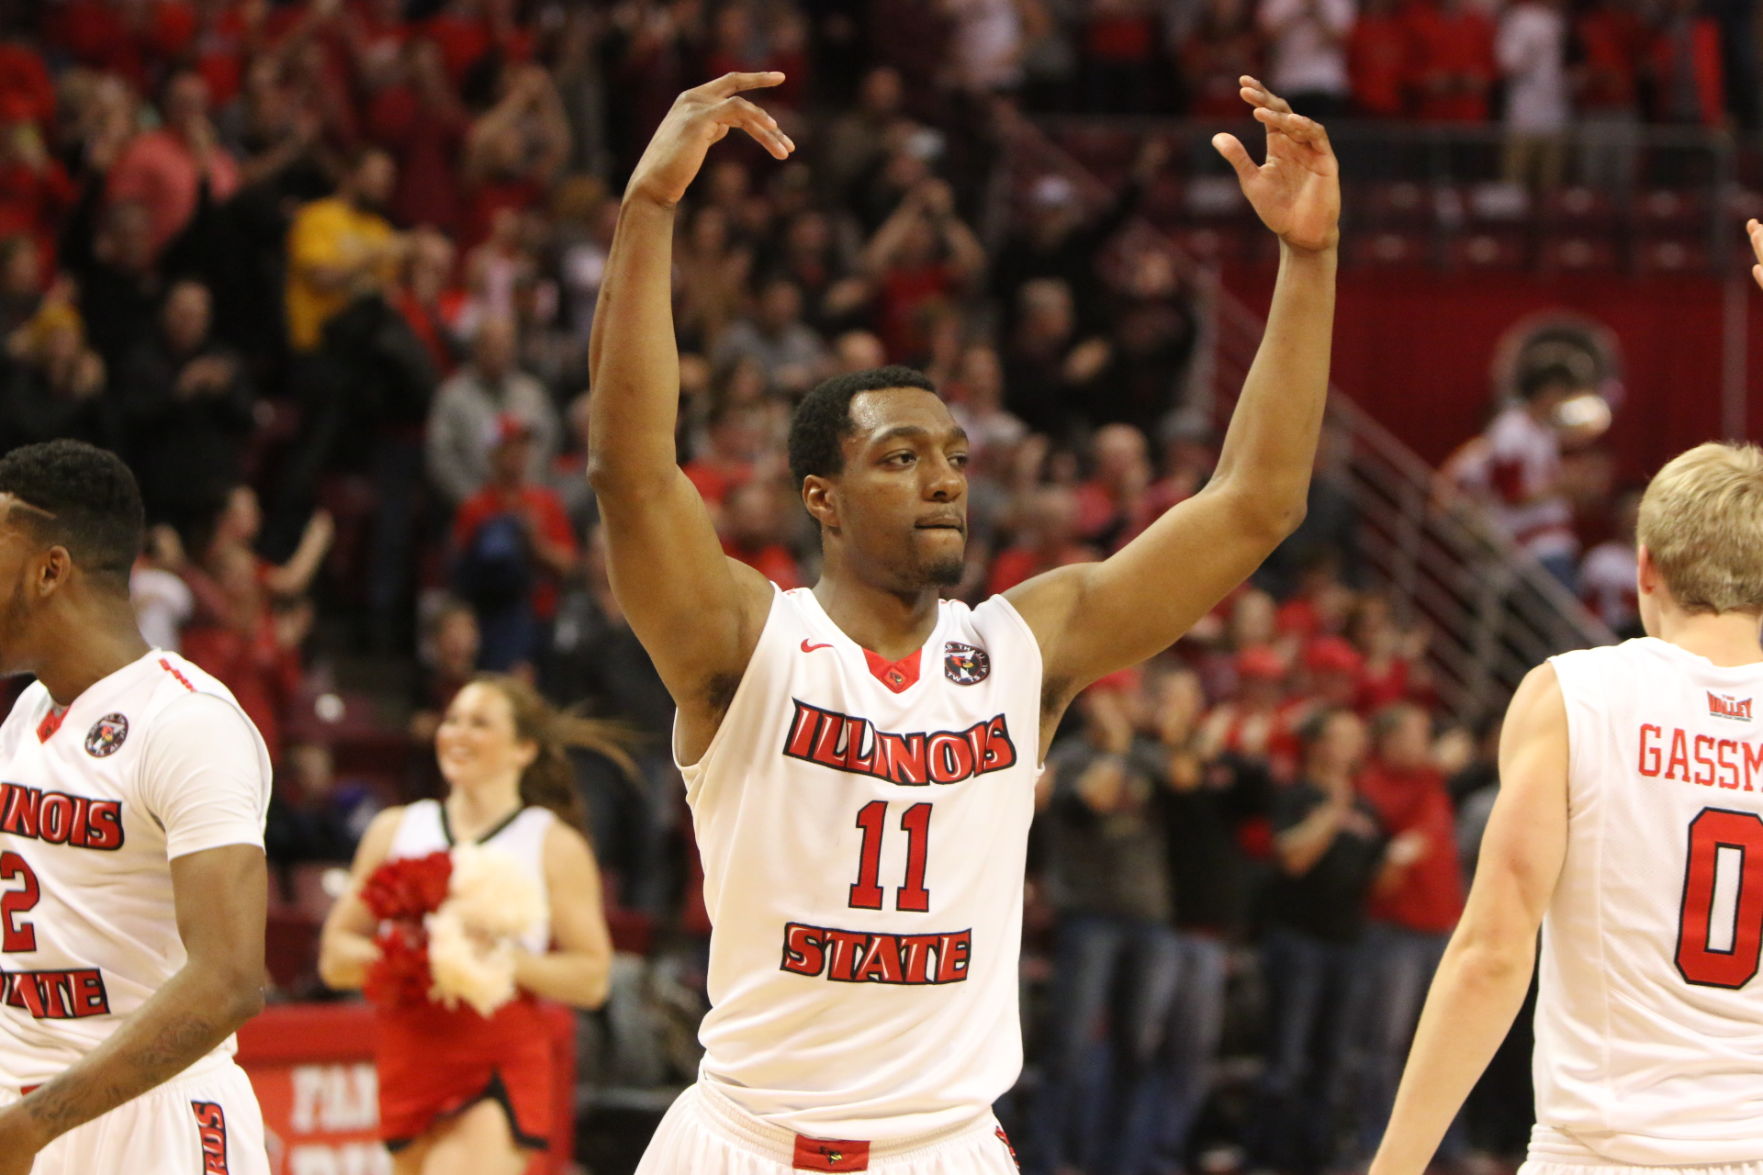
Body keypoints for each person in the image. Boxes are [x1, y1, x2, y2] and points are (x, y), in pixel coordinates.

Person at [585, 70, 1339, 1174]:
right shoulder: (748, 647)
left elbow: (1254, 503)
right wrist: (647, 213)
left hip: (941, 1148)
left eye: (951, 455)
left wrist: (1307, 261)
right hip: (746, 1141)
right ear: (821, 496)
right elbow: (631, 474)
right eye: (898, 457)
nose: (942, 478)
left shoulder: (1022, 649)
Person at [1368, 440, 1763, 1170]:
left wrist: (1394, 1163)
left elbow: (1492, 952)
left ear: (1645, 567)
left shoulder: (1575, 694)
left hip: (1606, 1151)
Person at [0, 439, 273, 1175]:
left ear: (50, 569)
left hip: (154, 1119)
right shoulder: (26, 714)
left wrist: (33, 1123)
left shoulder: (188, 723)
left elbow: (230, 977)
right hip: (20, 1103)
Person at [317, 674, 618, 1175]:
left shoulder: (552, 843)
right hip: (408, 1059)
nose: (457, 733)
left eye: (479, 723)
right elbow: (335, 959)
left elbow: (591, 977)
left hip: (495, 1062)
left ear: (523, 748)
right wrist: (413, 960)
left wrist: (491, 958)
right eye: (452, 719)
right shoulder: (395, 828)